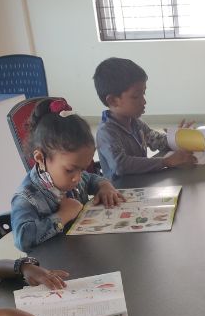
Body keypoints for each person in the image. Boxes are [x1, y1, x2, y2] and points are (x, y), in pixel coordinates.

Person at [10, 98, 123, 252]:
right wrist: (62, 215)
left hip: (80, 251)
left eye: (82, 169)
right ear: (40, 158)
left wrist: (104, 186)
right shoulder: (26, 198)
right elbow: (22, 239)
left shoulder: (74, 177)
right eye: (70, 170)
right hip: (53, 262)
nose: (78, 178)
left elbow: (91, 179)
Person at [93, 57, 197, 180]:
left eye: (143, 93)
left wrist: (177, 139)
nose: (144, 101)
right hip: (121, 189)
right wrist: (166, 161)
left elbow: (158, 141)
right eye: (136, 96)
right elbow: (120, 165)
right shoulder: (106, 132)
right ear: (113, 100)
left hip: (142, 182)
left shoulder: (136, 123)